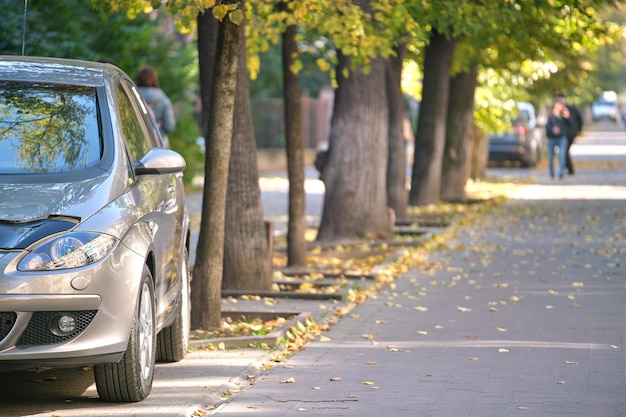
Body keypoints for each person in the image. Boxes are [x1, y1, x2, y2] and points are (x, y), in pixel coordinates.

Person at [135, 66, 176, 147]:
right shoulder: (164, 101)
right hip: (159, 145)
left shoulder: (131, 96)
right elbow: (170, 127)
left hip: (137, 144)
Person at [556, 95, 583, 175]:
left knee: (565, 151)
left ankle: (569, 168)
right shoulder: (557, 111)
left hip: (570, 134)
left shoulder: (571, 109)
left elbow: (578, 120)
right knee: (564, 151)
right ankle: (567, 167)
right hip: (562, 134)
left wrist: (579, 130)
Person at [545, 99, 571, 179]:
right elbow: (547, 126)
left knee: (562, 155)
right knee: (551, 156)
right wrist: (552, 130)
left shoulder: (563, 115)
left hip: (562, 137)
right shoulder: (551, 115)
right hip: (552, 138)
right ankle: (552, 172)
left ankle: (560, 172)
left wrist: (567, 118)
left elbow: (569, 126)